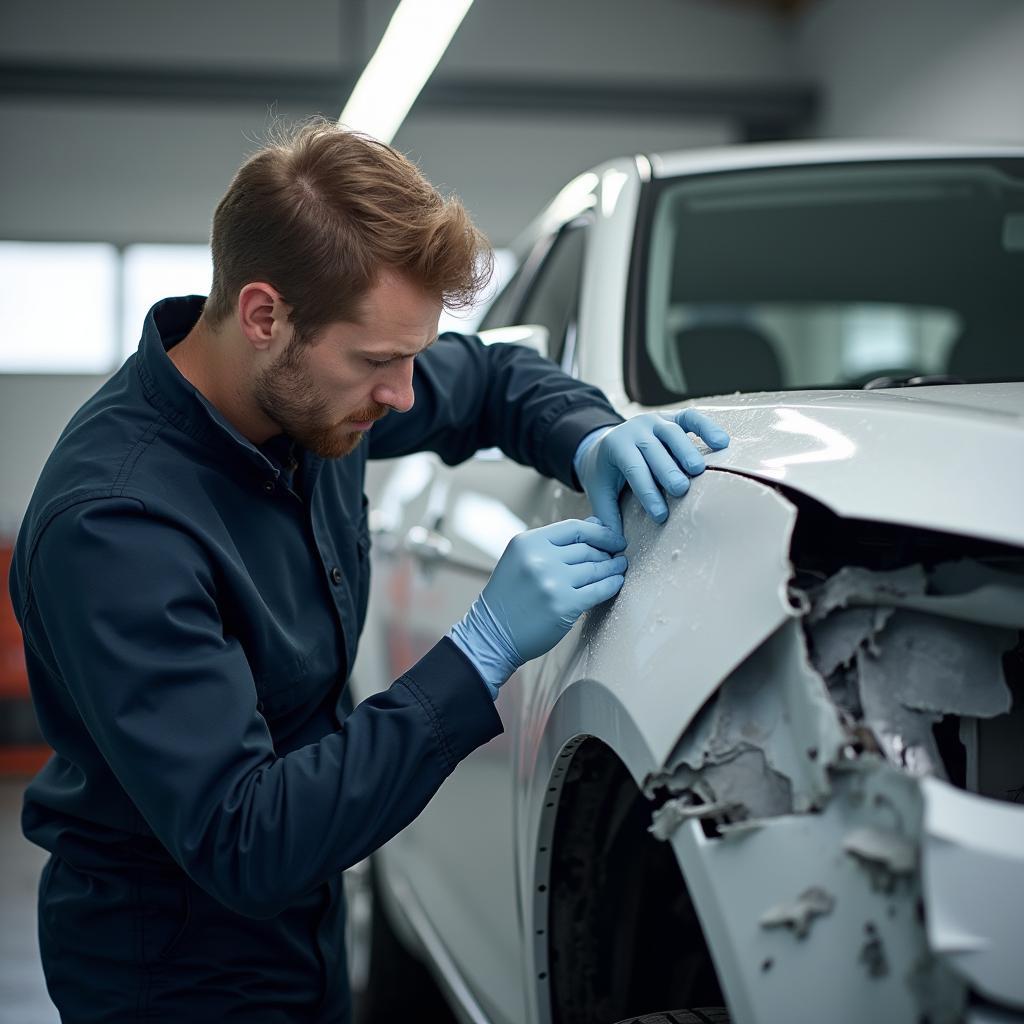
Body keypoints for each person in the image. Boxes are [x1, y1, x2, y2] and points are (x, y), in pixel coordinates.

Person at [8, 117, 729, 1022]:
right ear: (264, 315)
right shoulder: (117, 528)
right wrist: (479, 654)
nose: (401, 398)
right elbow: (248, 838)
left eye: (413, 355)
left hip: (303, 927)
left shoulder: (311, 395)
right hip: (175, 967)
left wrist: (592, 435)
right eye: (380, 362)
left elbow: (496, 382)